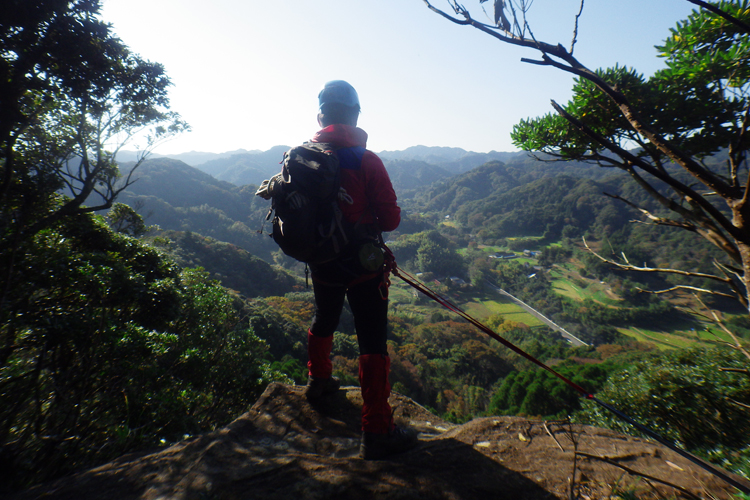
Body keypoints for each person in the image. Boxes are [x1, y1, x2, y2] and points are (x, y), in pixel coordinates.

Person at [256, 80, 417, 460]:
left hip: (322, 259)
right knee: (372, 337)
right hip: (363, 264)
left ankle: (319, 381)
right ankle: (377, 428)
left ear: (320, 117)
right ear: (356, 116)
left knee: (324, 316)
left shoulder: (303, 157)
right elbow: (391, 220)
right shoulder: (366, 160)